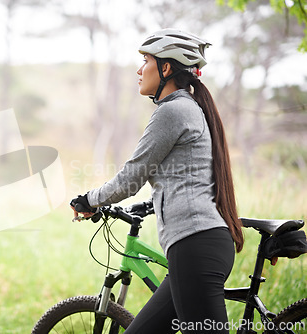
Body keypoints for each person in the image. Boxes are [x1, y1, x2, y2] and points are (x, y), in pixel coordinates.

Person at [70, 28, 244, 333]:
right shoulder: (187, 108)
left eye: (146, 61)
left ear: (166, 68)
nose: (139, 70)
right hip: (193, 249)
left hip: (195, 247)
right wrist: (149, 205)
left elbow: (131, 176)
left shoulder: (173, 111)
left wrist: (89, 199)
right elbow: (185, 179)